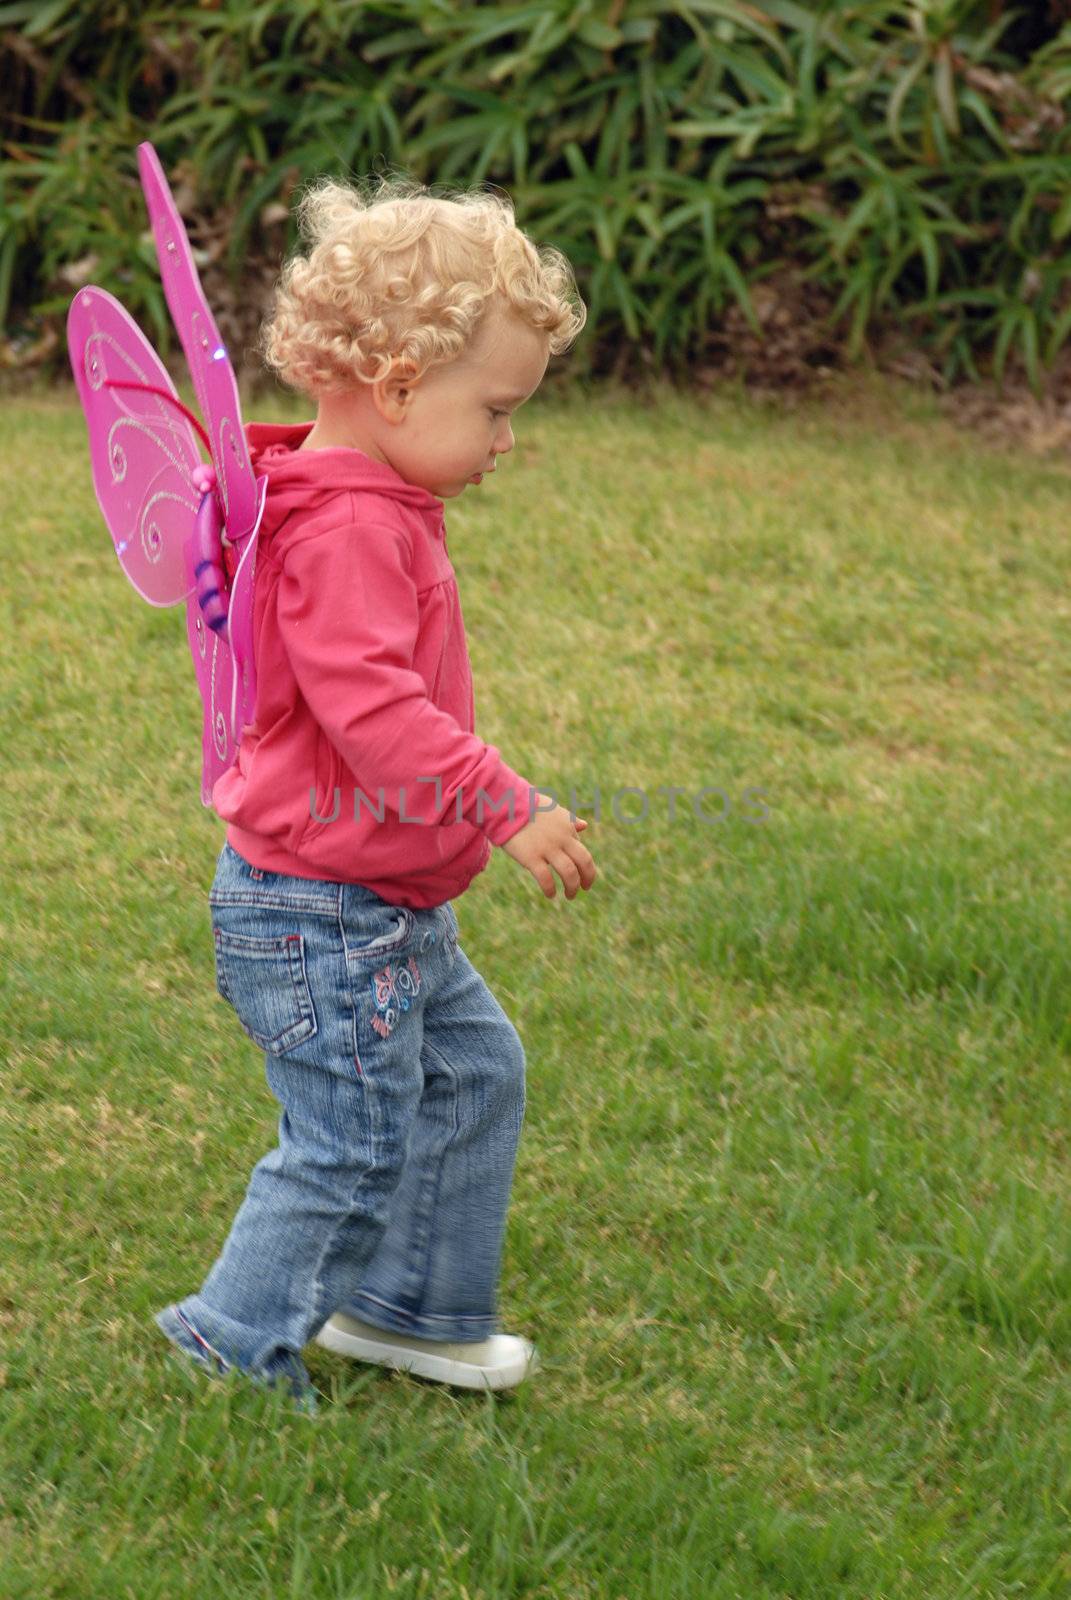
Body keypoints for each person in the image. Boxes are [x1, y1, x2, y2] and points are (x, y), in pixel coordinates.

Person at [153, 173, 597, 1415]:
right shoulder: (350, 528)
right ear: (400, 389)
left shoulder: (376, 497)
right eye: (497, 410)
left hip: (373, 892)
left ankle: (410, 1310)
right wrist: (506, 801)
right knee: (350, 1138)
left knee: (473, 1075)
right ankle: (229, 1336)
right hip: (322, 911)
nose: (507, 440)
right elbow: (380, 719)